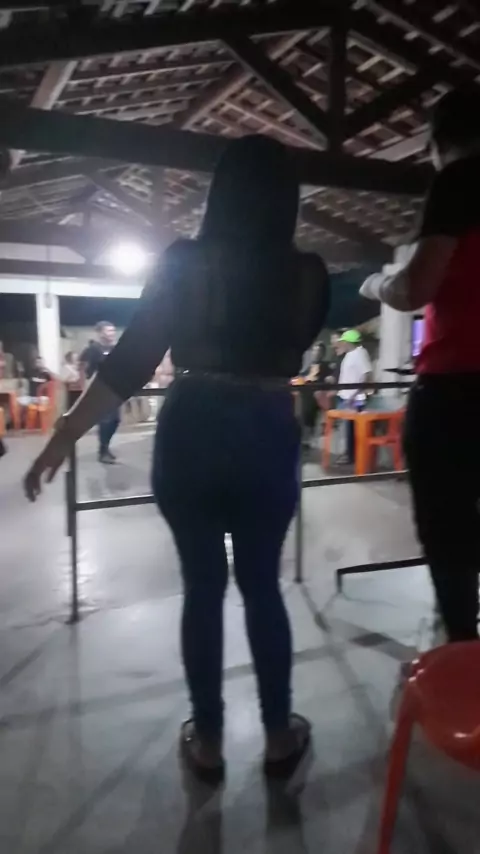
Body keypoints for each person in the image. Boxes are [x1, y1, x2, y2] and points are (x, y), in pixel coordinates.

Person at [24, 134, 330, 783]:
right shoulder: (308, 273)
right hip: (267, 426)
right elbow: (296, 346)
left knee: (202, 587)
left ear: (220, 194)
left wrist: (65, 433)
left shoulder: (185, 261)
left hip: (193, 425)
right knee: (262, 586)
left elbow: (134, 357)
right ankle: (279, 737)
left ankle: (209, 743)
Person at [360, 89, 480, 642]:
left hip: (456, 390)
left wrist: (376, 283)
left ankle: (462, 652)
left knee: (447, 530)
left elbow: (414, 288)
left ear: (437, 144)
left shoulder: (459, 179)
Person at [80, 322, 120, 464]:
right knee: (105, 420)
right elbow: (84, 368)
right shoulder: (93, 349)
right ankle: (103, 452)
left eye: (113, 330)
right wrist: (83, 386)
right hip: (99, 389)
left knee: (115, 421)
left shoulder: (115, 349)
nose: (112, 333)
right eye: (109, 330)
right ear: (101, 333)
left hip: (115, 389)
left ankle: (105, 446)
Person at [336, 330, 372, 464]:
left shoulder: (360, 354)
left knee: (354, 430)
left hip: (355, 398)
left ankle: (353, 456)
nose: (342, 344)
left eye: (343, 342)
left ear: (348, 342)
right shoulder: (349, 354)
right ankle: (349, 454)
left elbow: (367, 375)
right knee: (347, 429)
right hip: (346, 396)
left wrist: (355, 394)